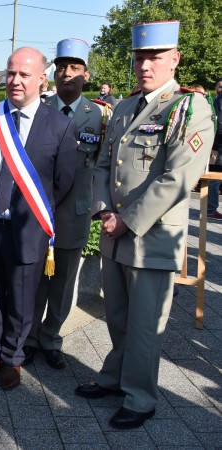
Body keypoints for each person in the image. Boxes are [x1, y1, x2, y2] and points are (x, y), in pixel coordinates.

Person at [76, 21, 215, 429]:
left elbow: (178, 179)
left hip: (151, 237)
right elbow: (104, 164)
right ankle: (116, 377)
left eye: (155, 57)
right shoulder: (123, 107)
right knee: (117, 316)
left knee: (144, 324)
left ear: (174, 59)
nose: (145, 65)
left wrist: (126, 220)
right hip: (116, 234)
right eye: (140, 57)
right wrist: (104, 210)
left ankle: (140, 397)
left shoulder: (189, 108)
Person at [0, 47, 76, 390]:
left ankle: (13, 358)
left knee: (21, 297)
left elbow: (64, 181)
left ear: (42, 79)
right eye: (10, 73)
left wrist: (35, 214)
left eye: (24, 74)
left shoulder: (59, 125)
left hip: (28, 228)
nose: (15, 81)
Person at [25, 38, 112, 369]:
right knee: (34, 281)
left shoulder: (99, 116)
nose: (67, 74)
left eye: (74, 68)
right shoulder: (39, 112)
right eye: (61, 67)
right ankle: (30, 338)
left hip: (74, 214)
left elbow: (103, 166)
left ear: (86, 75)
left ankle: (51, 339)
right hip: (39, 212)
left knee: (62, 283)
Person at [207, 77, 222, 219]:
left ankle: (210, 208)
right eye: (220, 86)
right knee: (214, 178)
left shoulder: (214, 101)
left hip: (215, 145)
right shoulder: (217, 101)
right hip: (218, 146)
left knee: (214, 178)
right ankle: (211, 209)